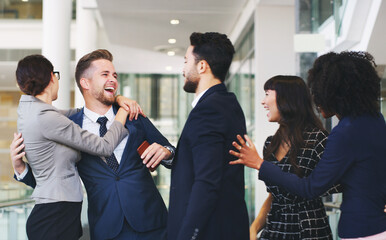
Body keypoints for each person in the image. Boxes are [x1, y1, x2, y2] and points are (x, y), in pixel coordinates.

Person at [11, 49, 175, 240]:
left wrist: (167, 152)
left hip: (152, 224)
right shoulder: (69, 124)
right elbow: (52, 178)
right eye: (104, 74)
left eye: (114, 75)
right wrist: (20, 168)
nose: (112, 79)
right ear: (85, 83)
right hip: (106, 228)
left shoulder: (134, 116)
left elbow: (174, 154)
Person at [230, 51, 386, 239]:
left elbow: (311, 188)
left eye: (319, 93)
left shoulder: (341, 133)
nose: (316, 101)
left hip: (354, 230)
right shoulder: (375, 120)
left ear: (333, 93)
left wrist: (260, 164)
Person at [14, 54, 130, 240]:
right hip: (55, 215)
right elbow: (104, 146)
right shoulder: (46, 118)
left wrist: (115, 99)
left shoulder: (33, 111)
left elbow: (76, 113)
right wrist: (122, 113)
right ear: (52, 77)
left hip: (56, 212)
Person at [167, 32, 249, 240]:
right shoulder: (228, 103)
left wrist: (188, 236)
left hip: (208, 232)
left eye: (186, 61)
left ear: (202, 66)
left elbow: (207, 181)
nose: (183, 69)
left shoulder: (209, 110)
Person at [247, 75, 340, 239]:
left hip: (309, 231)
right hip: (275, 231)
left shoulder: (317, 138)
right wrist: (254, 229)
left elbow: (339, 182)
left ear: (286, 99)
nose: (263, 101)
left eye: (267, 94)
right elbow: (274, 197)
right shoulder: (271, 143)